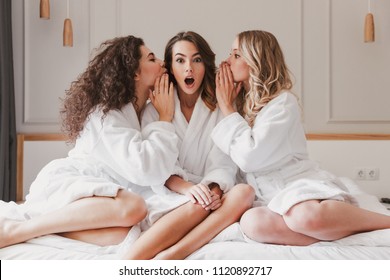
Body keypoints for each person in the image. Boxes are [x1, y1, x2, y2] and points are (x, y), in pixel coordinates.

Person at [212, 30, 390, 246]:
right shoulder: (235, 107)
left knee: (302, 215)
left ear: (255, 61)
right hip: (268, 196)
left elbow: (250, 157)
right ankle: (329, 234)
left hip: (296, 185)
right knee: (252, 223)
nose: (227, 61)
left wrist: (228, 109)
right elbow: (226, 161)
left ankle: (383, 222)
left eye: (236, 55)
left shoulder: (282, 103)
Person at [0, 35, 179, 250]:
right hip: (72, 182)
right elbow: (146, 169)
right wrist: (165, 119)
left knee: (122, 234)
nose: (162, 63)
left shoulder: (142, 113)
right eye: (152, 59)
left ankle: (48, 229)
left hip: (101, 199)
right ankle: (19, 230)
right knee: (134, 207)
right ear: (134, 72)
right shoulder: (104, 115)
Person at [122, 31, 255, 260]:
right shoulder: (157, 107)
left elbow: (223, 161)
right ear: (170, 67)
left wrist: (211, 188)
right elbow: (157, 165)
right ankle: (131, 261)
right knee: (197, 205)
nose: (189, 69)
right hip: (172, 191)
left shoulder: (220, 104)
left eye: (197, 59)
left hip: (211, 191)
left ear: (205, 64)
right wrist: (188, 189)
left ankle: (177, 250)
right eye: (180, 60)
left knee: (244, 192)